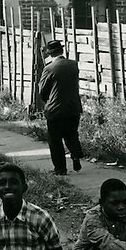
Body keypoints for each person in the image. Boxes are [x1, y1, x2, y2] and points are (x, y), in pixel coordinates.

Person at [38, 39, 84, 175]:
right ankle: (75, 154)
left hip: (55, 109)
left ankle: (60, 169)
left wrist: (48, 100)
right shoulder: (73, 65)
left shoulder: (49, 68)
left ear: (49, 54)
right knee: (71, 134)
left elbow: (43, 91)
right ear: (61, 51)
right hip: (73, 107)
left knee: (55, 140)